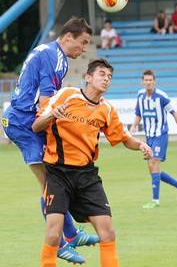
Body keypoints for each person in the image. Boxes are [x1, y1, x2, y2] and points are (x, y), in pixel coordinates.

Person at [32, 59, 153, 267]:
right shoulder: (66, 95)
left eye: (109, 76)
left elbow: (124, 138)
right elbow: (36, 126)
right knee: (53, 234)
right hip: (58, 173)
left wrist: (141, 145)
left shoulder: (106, 109)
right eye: (102, 74)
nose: (106, 79)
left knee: (108, 232)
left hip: (87, 176)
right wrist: (53, 114)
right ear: (88, 77)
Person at [1, 17, 99, 264]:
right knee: (49, 183)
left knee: (56, 180)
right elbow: (46, 106)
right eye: (83, 42)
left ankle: (72, 234)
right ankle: (61, 244)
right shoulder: (53, 57)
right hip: (22, 123)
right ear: (68, 37)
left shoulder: (56, 57)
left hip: (26, 121)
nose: (84, 49)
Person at [130, 70, 177, 209]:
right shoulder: (140, 96)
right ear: (142, 81)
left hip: (161, 135)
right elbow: (139, 113)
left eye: (150, 80)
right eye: (146, 80)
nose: (148, 82)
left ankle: (155, 201)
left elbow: (175, 114)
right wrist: (133, 127)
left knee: (154, 164)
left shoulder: (162, 97)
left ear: (154, 81)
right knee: (153, 169)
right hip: (149, 136)